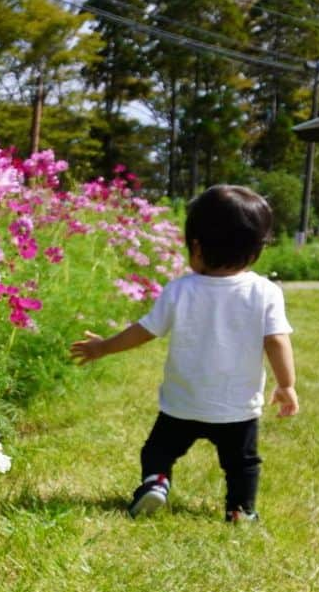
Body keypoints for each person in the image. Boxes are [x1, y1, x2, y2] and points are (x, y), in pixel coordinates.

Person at [69, 184, 298, 522]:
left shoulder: (180, 289)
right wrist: (286, 385)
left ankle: (156, 482)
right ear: (256, 249)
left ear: (196, 246)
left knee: (158, 450)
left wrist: (104, 347)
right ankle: (240, 510)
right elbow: (277, 341)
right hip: (237, 408)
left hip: (182, 403)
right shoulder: (265, 292)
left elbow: (144, 330)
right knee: (242, 463)